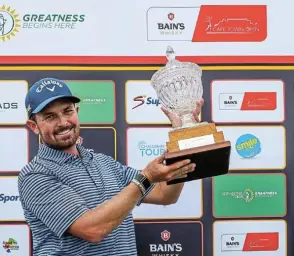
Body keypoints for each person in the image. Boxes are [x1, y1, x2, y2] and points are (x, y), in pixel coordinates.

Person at [18, 77, 204, 256]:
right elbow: (92, 229)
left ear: (77, 111)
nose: (63, 122)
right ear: (34, 126)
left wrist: (181, 141)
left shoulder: (103, 162)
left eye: (67, 111)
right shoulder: (35, 175)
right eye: (50, 117)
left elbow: (165, 194)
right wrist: (145, 178)